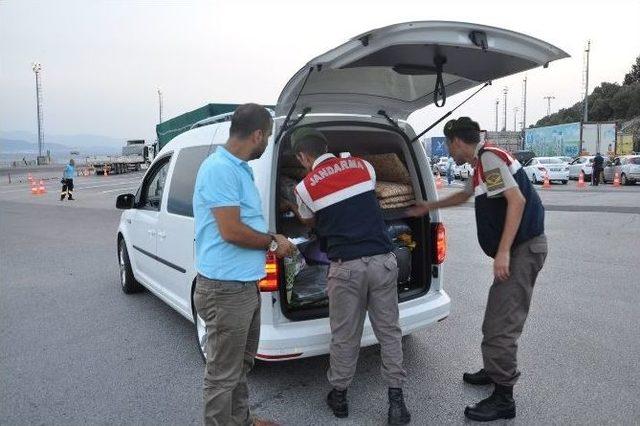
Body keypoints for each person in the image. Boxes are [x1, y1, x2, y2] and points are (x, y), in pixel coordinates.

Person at [409, 117, 548, 422]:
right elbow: (464, 194)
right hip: (520, 249)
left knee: (500, 327)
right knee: (495, 317)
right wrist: (429, 207)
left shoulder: (489, 159)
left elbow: (517, 200)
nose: (449, 150)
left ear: (456, 141)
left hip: (522, 251)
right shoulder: (483, 162)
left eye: (448, 144)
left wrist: (503, 253)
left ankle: (503, 397)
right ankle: (493, 369)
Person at [287, 127, 411, 425]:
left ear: (303, 156)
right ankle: (397, 403)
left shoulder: (304, 187)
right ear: (326, 145)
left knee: (345, 336)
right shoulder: (363, 166)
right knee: (390, 333)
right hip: (382, 261)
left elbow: (308, 220)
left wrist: (293, 204)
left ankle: (340, 397)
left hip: (346, 270)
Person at [192, 103, 295, 426]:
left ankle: (242, 420)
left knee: (241, 364)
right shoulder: (219, 169)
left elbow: (243, 218)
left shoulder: (240, 168)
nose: (267, 145)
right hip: (224, 291)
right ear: (257, 134)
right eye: (267, 138)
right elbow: (231, 230)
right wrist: (273, 242)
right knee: (222, 374)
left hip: (243, 286)